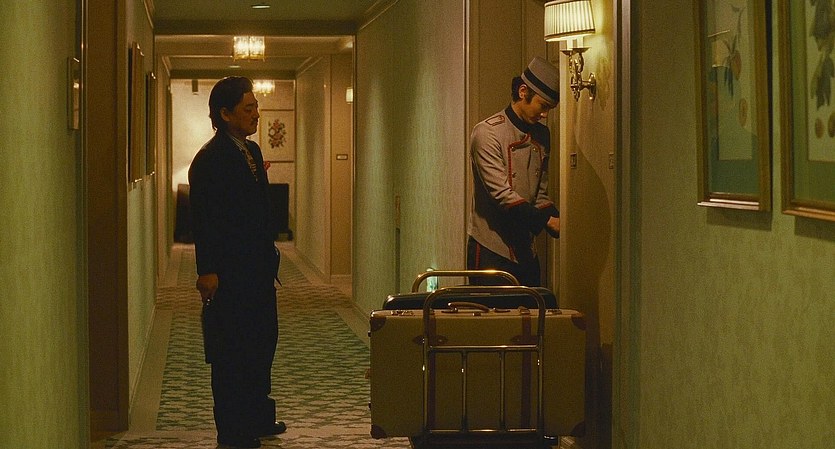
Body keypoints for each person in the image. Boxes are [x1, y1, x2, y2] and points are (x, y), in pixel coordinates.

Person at [189, 76, 285, 448]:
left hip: (258, 270)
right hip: (229, 273)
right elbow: (204, 219)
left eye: (256, 107)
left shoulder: (253, 151)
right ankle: (233, 430)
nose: (256, 114)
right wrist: (207, 270)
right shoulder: (210, 159)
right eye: (248, 108)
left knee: (262, 343)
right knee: (232, 352)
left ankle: (258, 416)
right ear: (225, 114)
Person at [467, 57, 561, 287]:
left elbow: (540, 193)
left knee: (532, 308)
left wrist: (560, 220)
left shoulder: (542, 135)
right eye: (543, 106)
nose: (545, 115)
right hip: (491, 249)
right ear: (523, 92)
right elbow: (501, 195)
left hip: (526, 249)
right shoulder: (487, 133)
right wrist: (547, 221)